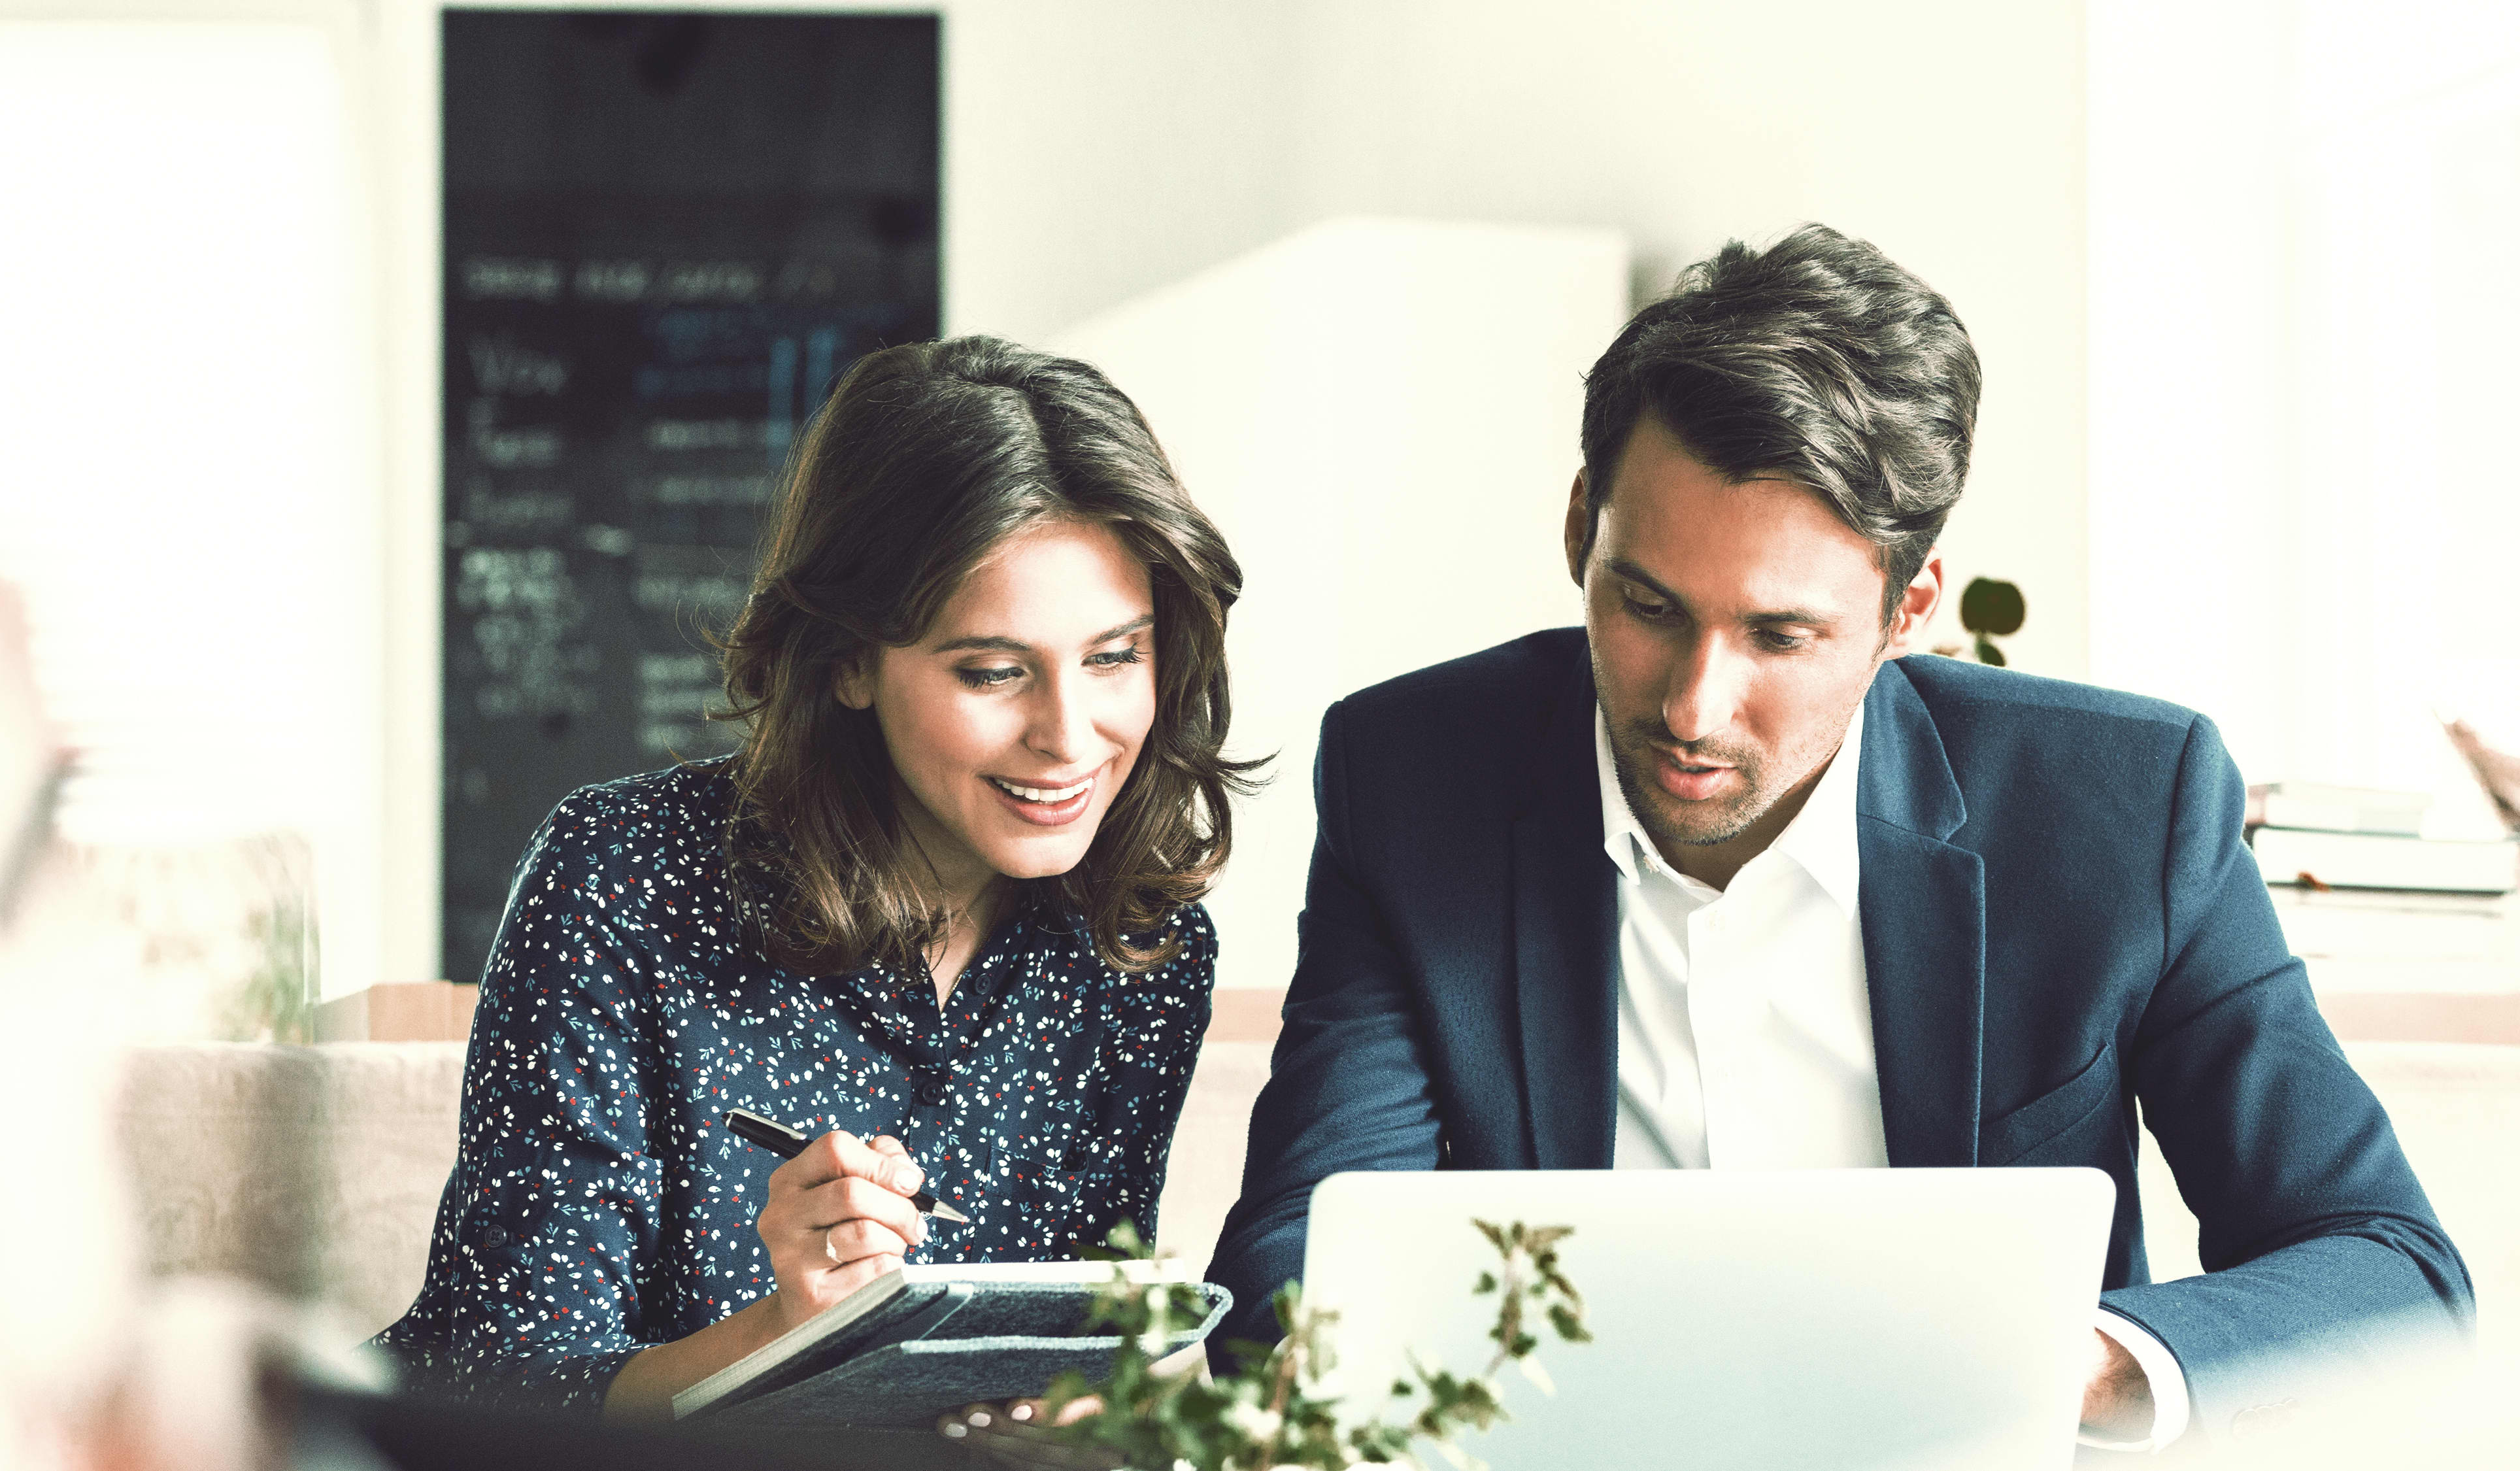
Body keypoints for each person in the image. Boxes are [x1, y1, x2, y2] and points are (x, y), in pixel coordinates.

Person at [1203, 226, 2470, 1453]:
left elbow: (2384, 1263)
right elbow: (1298, 1244)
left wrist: (2068, 1363)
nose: (1692, 706)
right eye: (1645, 604)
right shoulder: (1416, 769)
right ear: (1581, 521)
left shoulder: (2118, 805)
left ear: (1905, 607)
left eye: (1778, 636)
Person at [376, 336, 1258, 1419]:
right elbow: (495, 1388)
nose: (1070, 738)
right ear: (845, 661)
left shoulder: (1143, 949)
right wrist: (791, 1331)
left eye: (1116, 656)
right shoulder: (619, 880)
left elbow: (1063, 1364)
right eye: (992, 671)